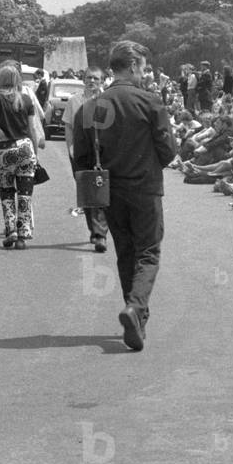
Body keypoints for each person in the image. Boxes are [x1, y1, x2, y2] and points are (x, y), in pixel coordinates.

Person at [72, 41, 176, 351]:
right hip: (145, 188)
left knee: (126, 253)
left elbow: (81, 157)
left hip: (110, 191)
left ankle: (136, 315)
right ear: (132, 66)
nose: (144, 74)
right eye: (142, 67)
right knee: (148, 252)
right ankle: (135, 308)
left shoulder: (91, 106)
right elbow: (168, 152)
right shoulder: (150, 102)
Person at [0, 64, 41, 249]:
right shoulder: (25, 99)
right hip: (25, 148)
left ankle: (11, 230)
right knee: (25, 193)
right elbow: (32, 129)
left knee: (7, 191)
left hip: (4, 150)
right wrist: (35, 153)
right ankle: (23, 235)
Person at [63, 68, 110, 252]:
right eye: (89, 78)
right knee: (86, 189)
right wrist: (70, 148)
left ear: (102, 81)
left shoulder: (108, 101)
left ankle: (100, 233)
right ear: (83, 80)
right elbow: (68, 126)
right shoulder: (74, 101)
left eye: (96, 78)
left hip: (104, 152)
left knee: (101, 188)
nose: (92, 81)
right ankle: (95, 230)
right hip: (81, 151)